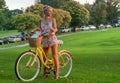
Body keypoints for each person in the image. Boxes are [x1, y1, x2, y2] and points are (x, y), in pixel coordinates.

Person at [32, 5, 59, 79]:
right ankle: (45, 73)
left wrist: (53, 31)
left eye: (51, 11)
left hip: (52, 38)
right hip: (44, 39)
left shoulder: (53, 19)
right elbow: (40, 29)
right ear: (44, 11)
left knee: (55, 56)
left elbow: (56, 28)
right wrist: (35, 29)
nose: (50, 12)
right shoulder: (41, 20)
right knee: (45, 57)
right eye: (48, 11)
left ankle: (57, 74)